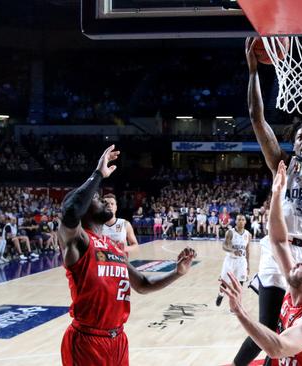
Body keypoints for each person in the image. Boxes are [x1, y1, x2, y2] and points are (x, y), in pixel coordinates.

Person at [231, 37, 302, 366]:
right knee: (269, 323)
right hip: (278, 248)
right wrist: (254, 70)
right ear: (294, 146)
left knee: (293, 329)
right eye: (300, 137)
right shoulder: (284, 165)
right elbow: (257, 119)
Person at [58, 145, 197, 366]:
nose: (103, 200)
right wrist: (98, 174)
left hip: (118, 339)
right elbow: (70, 211)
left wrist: (177, 273)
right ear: (83, 207)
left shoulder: (114, 248)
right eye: (95, 198)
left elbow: (142, 284)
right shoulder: (78, 241)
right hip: (87, 341)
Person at [221, 161, 302, 366]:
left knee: (273, 341)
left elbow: (277, 348)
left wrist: (240, 311)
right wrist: (277, 194)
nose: (297, 262)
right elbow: (278, 240)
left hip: (282, 353)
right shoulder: (294, 288)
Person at [216, 214, 251, 306]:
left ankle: (235, 304)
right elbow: (224, 246)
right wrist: (233, 251)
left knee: (239, 283)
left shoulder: (248, 234)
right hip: (230, 260)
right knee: (224, 282)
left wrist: (248, 265)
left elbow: (247, 250)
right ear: (235, 221)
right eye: (239, 219)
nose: (241, 221)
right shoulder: (230, 232)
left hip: (242, 261)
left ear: (245, 222)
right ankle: (221, 294)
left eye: (242, 220)